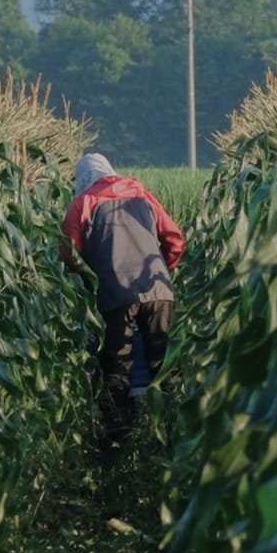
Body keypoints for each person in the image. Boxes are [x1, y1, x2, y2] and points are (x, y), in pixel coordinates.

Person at [60, 151, 185, 436]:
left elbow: (68, 251)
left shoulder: (85, 202)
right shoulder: (143, 195)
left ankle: (120, 434)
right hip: (158, 290)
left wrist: (84, 280)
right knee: (163, 361)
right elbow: (175, 238)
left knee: (117, 363)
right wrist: (165, 270)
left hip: (115, 292)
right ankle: (175, 429)